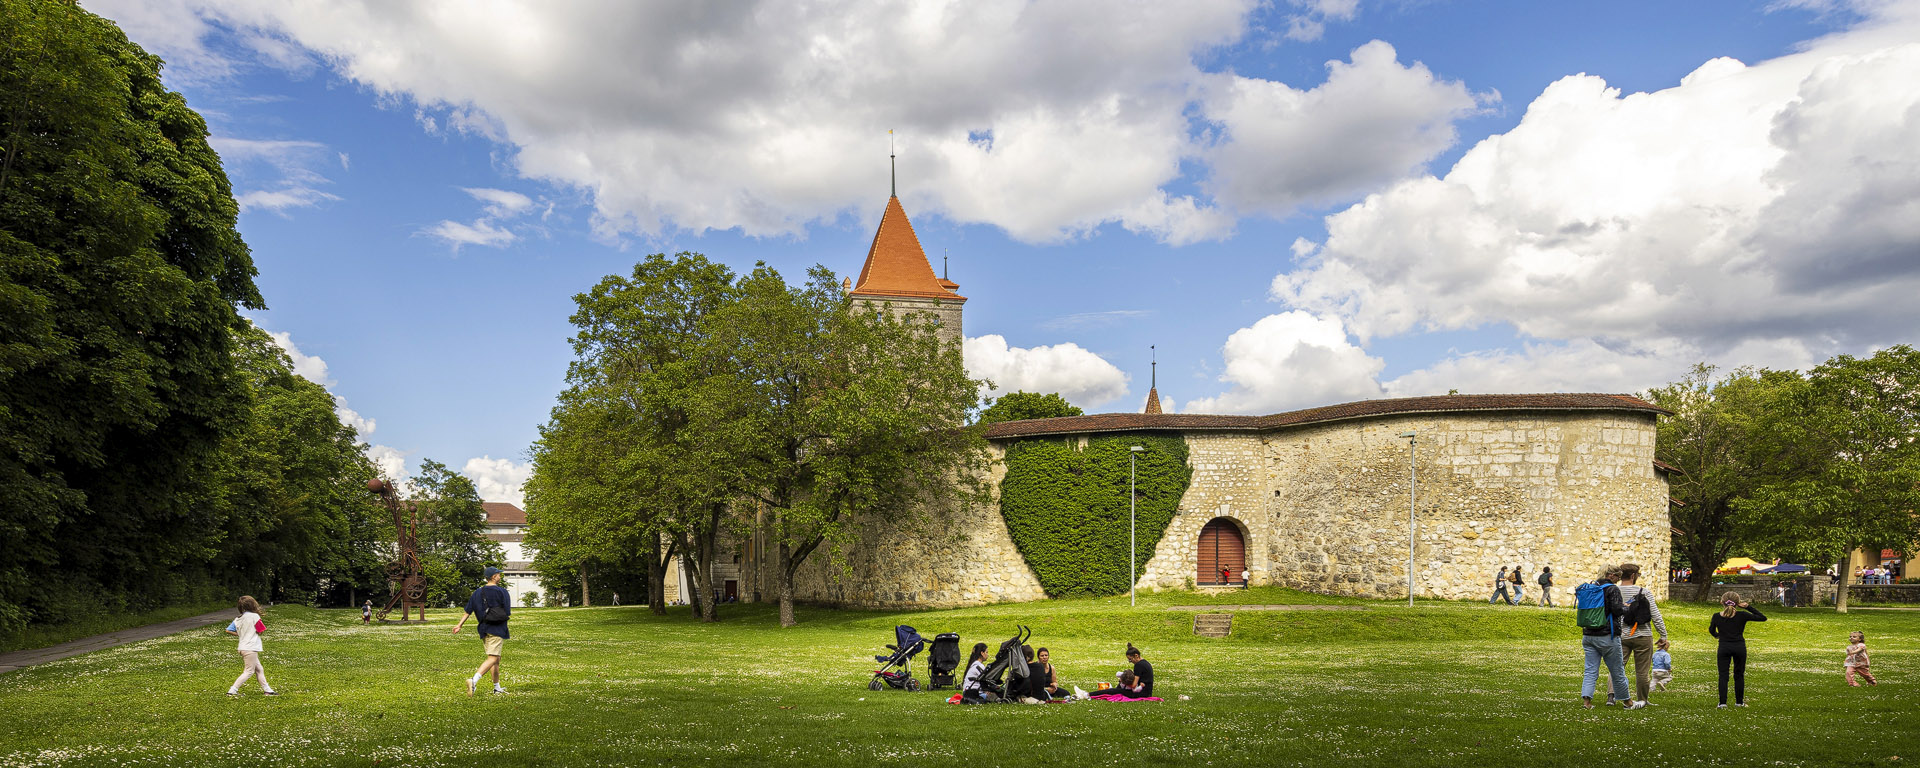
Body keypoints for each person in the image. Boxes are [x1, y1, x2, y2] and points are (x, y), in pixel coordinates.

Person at [1578, 565, 1634, 709]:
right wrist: (1626, 607)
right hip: (1607, 635)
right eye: (1617, 576)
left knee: (1590, 670)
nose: (1618, 579)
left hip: (1588, 635)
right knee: (1617, 671)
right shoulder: (1612, 589)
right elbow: (1616, 609)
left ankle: (1587, 702)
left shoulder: (1591, 587)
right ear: (1610, 575)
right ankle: (1627, 702)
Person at [1614, 563, 1669, 707]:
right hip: (1642, 635)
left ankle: (1611, 697)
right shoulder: (1644, 592)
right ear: (1633, 576)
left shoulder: (1613, 591)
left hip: (1620, 635)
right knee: (1642, 672)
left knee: (1617, 667)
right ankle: (1642, 700)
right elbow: (1655, 615)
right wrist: (1663, 635)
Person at [453, 566, 513, 696]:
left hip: (484, 629)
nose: (500, 576)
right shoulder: (502, 592)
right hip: (497, 628)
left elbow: (468, 611)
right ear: (493, 577)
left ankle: (497, 688)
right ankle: (473, 681)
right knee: (493, 657)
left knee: (495, 659)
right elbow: (507, 611)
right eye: (498, 574)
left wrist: (459, 625)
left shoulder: (477, 592)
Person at [1708, 591, 1767, 708]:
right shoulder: (1742, 615)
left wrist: (1718, 635)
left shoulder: (1716, 616)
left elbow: (1711, 630)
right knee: (1739, 674)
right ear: (1737, 603)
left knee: (1723, 675)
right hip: (1739, 647)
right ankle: (1739, 702)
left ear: (1721, 602)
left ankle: (1722, 703)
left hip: (1724, 647)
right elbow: (1762, 618)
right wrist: (1748, 607)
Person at [224, 595, 278, 696]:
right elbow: (261, 630)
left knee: (259, 669)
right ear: (253, 604)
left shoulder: (238, 619)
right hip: (251, 648)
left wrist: (241, 633)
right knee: (249, 671)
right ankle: (232, 691)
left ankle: (268, 690)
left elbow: (228, 630)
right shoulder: (255, 616)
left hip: (243, 647)